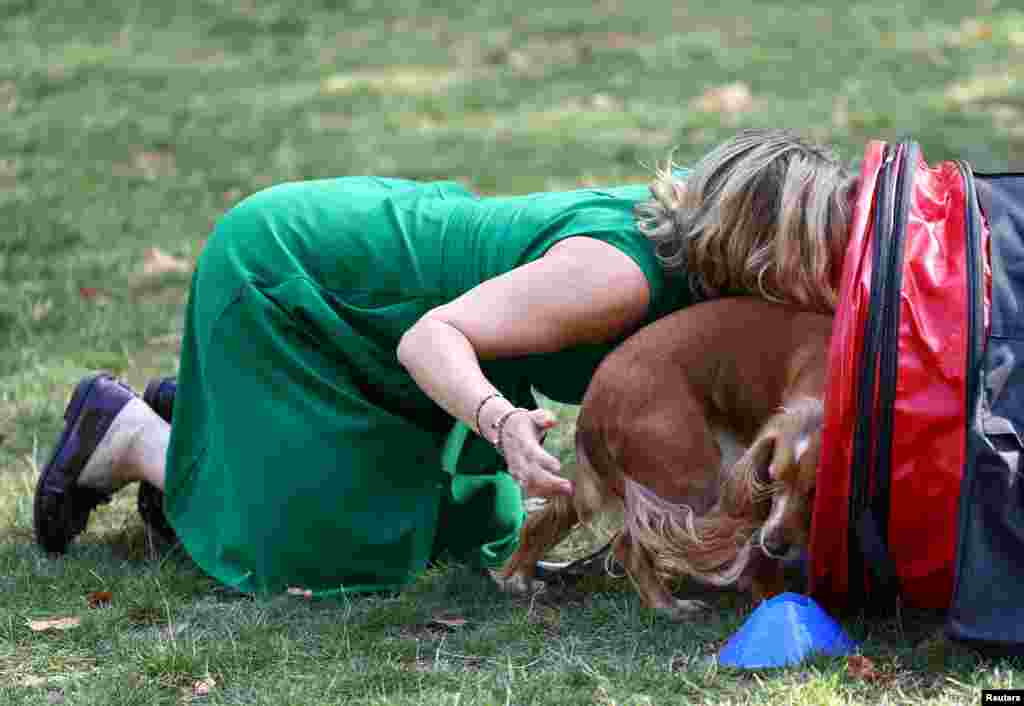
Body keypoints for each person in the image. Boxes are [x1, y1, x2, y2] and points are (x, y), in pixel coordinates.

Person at [33, 128, 856, 597]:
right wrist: (500, 423)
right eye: (812, 259)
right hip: (302, 283)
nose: (824, 284)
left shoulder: (704, 280)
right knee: (331, 562)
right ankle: (134, 435)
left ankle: (233, 428)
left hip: (395, 313)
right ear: (754, 249)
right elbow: (431, 338)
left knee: (465, 537)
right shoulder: (620, 274)